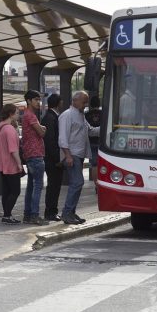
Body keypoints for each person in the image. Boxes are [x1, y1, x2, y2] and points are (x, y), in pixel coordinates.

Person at [58, 91, 100, 225]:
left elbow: (91, 131)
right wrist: (68, 156)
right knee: (77, 182)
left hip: (79, 155)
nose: (86, 105)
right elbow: (62, 138)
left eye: (86, 102)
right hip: (72, 154)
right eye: (84, 102)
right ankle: (67, 212)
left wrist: (106, 126)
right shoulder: (67, 115)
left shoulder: (81, 116)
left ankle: (71, 212)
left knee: (77, 183)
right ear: (75, 101)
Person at [0, 103, 25, 224]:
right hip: (10, 164)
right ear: (11, 114)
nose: (18, 115)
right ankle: (7, 214)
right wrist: (19, 164)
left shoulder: (0, 126)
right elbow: (13, 149)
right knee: (15, 191)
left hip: (1, 162)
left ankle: (7, 215)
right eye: (17, 113)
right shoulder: (9, 129)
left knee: (6, 190)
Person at [21, 90, 48, 226]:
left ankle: (27, 215)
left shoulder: (27, 115)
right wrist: (43, 129)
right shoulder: (30, 115)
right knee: (38, 186)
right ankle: (35, 215)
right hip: (36, 154)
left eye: (39, 99)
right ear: (29, 101)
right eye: (36, 99)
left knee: (31, 186)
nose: (39, 102)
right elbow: (41, 133)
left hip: (30, 155)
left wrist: (41, 128)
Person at [41, 94, 64, 221]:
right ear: (58, 103)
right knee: (53, 186)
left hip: (52, 158)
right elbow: (50, 141)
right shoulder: (50, 118)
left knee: (54, 185)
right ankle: (50, 212)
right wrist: (58, 159)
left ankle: (52, 210)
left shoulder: (52, 116)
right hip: (52, 159)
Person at [84, 94, 102, 186]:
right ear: (99, 104)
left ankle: (96, 185)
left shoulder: (86, 115)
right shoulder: (104, 114)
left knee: (94, 165)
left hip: (91, 142)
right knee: (102, 165)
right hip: (102, 143)